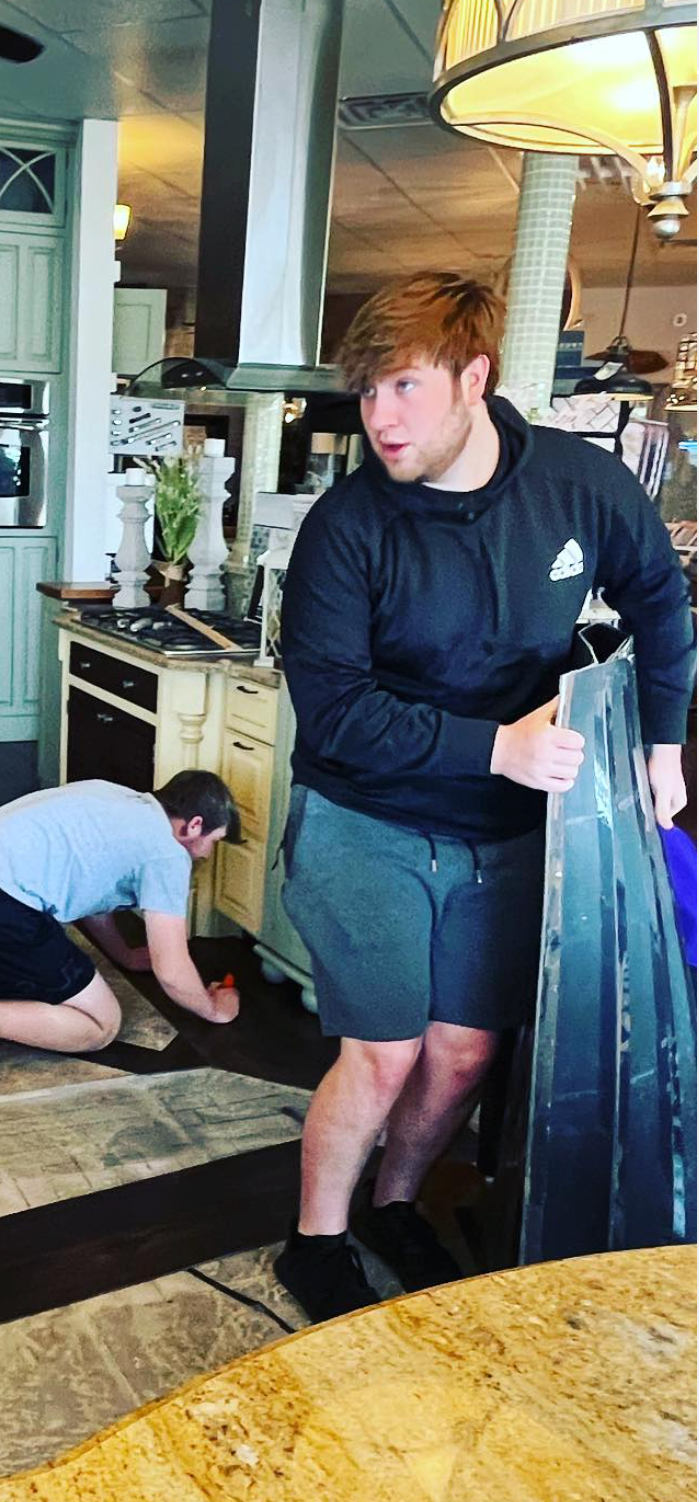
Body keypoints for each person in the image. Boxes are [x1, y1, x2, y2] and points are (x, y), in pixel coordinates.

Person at [273, 271, 695, 1323]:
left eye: (403, 387)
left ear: (474, 377)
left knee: (462, 1054)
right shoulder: (345, 528)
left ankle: (395, 1201)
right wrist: (493, 747)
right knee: (385, 1052)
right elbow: (331, 712)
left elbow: (659, 592)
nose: (378, 417)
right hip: (362, 817)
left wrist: (662, 736)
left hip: (500, 837)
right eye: (365, 392)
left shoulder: (575, 485)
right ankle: (313, 1240)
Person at [0, 771, 242, 1087]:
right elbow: (173, 972)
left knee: (24, 961)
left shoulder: (113, 795)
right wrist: (214, 1009)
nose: (207, 854)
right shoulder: (167, 852)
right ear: (193, 825)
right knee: (99, 1022)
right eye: (214, 841)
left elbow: (89, 899)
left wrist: (126, 956)